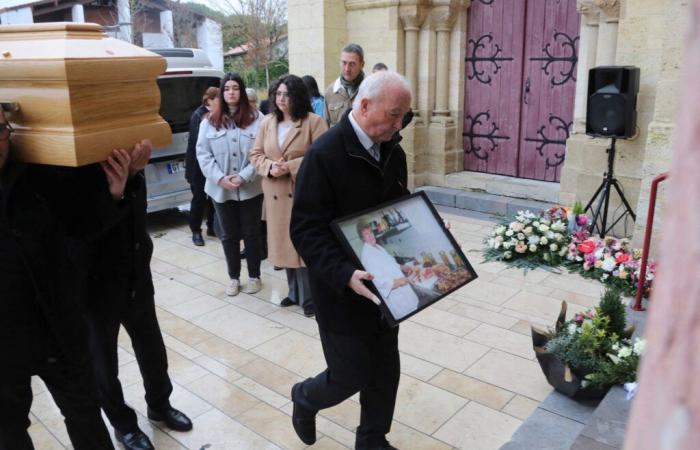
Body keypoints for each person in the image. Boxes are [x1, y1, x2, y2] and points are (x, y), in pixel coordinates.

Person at [289, 71, 412, 449]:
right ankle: (305, 397)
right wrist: (344, 274)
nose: (397, 125)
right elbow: (305, 230)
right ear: (364, 105)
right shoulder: (324, 155)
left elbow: (397, 210)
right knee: (349, 374)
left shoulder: (394, 150)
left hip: (383, 286)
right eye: (393, 115)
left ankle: (372, 440)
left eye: (403, 116)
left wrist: (426, 233)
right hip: (341, 288)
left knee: (386, 370)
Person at [1, 108, 132, 450]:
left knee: (86, 420)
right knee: (9, 433)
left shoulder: (35, 174)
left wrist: (114, 192)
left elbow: (81, 225)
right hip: (4, 345)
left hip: (59, 331)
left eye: (0, 130)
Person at [86, 139, 194, 450]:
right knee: (103, 362)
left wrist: (132, 177)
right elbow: (80, 232)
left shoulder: (122, 154)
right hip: (93, 283)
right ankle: (123, 424)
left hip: (134, 272)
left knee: (152, 349)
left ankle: (160, 405)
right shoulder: (71, 169)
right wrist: (114, 193)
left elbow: (137, 215)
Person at [250, 74, 328, 317]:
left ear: (298, 97)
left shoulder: (313, 122)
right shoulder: (267, 122)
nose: (282, 99)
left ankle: (310, 298)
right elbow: (255, 154)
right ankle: (294, 293)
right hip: (275, 194)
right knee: (283, 246)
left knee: (302, 247)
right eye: (278, 94)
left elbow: (323, 156)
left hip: (301, 193)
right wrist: (270, 168)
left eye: (287, 94)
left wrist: (291, 166)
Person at [197, 73, 264, 296]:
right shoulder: (209, 122)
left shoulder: (258, 118)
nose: (231, 92)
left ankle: (255, 275)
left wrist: (244, 176)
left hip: (250, 188)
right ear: (222, 93)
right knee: (229, 235)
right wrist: (220, 178)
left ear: (242, 91)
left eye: (236, 88)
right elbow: (203, 154)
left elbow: (262, 152)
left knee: (252, 233)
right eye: (227, 88)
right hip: (220, 190)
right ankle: (234, 277)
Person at [357, 222, 419, 320]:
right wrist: (403, 281)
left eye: (371, 232)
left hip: (405, 290)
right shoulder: (367, 256)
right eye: (366, 234)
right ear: (362, 238)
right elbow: (380, 283)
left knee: (416, 310)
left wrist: (403, 267)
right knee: (410, 318)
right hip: (397, 297)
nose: (370, 236)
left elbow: (390, 263)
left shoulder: (377, 247)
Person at [186, 86, 219, 246]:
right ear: (209, 101)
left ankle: (212, 226)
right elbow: (198, 146)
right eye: (218, 99)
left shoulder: (218, 115)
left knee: (213, 197)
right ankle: (195, 231)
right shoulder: (199, 115)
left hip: (213, 165)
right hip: (197, 168)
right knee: (199, 199)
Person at [324, 43, 366, 127]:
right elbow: (326, 125)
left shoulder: (371, 89)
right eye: (344, 63)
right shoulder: (330, 92)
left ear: (362, 65)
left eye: (352, 64)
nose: (347, 69)